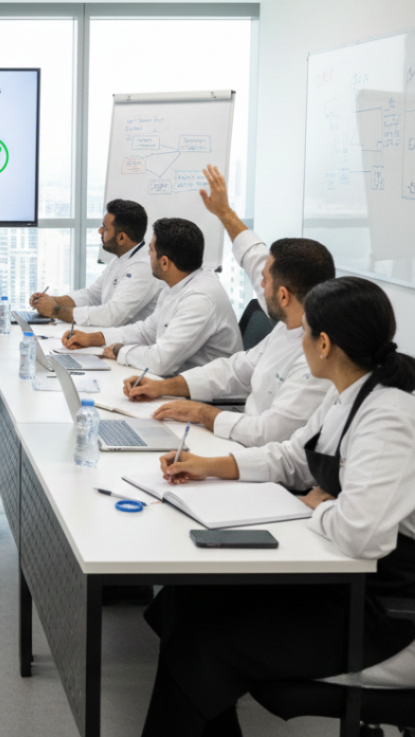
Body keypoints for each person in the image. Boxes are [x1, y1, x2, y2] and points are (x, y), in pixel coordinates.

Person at [139, 276, 415, 737]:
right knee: (184, 600)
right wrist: (210, 465)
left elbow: (361, 534)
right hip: (342, 582)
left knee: (203, 641)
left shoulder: (389, 417)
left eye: (303, 332)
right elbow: (292, 456)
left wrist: (319, 507)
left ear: (323, 343)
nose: (297, 340)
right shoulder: (347, 392)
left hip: (387, 613)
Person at [122, 170, 336, 445]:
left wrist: (201, 413)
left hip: (264, 454)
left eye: (265, 281)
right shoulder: (290, 320)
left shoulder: (317, 355)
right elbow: (236, 370)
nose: (260, 285)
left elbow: (268, 435)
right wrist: (165, 387)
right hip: (240, 433)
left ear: (284, 296)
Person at [63, 217, 241, 375]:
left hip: (205, 399)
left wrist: (120, 351)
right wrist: (94, 338)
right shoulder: (176, 285)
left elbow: (161, 362)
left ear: (164, 262)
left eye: (151, 250)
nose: (148, 255)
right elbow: (146, 332)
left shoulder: (200, 299)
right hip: (177, 382)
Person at [29, 198, 160, 328]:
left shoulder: (144, 267)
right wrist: (51, 301)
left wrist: (55, 311)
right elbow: (91, 296)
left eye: (105, 228)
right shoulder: (121, 258)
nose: (100, 231)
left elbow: (111, 315)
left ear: (121, 238)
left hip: (135, 346)